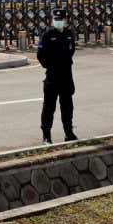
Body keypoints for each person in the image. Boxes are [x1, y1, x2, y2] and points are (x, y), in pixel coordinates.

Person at [37, 8, 77, 144]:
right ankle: (46, 136)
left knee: (67, 107)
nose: (58, 22)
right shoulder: (47, 35)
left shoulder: (69, 34)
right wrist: (51, 66)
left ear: (65, 20)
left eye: (61, 19)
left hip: (66, 76)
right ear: (52, 20)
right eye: (56, 20)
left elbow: (72, 50)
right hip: (52, 77)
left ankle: (69, 133)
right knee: (49, 107)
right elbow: (40, 55)